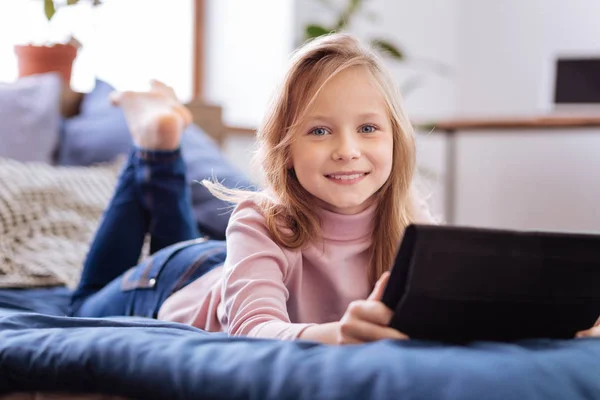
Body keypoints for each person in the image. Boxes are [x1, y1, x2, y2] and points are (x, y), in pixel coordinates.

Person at [69, 33, 600, 344]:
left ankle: (160, 138)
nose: (347, 149)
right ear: (287, 149)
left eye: (368, 128)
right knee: (80, 307)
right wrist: (336, 334)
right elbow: (254, 331)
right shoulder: (258, 218)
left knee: (176, 230)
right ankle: (154, 142)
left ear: (396, 140)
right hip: (175, 281)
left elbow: (466, 314)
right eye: (320, 130)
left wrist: (558, 322)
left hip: (227, 268)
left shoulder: (413, 229)